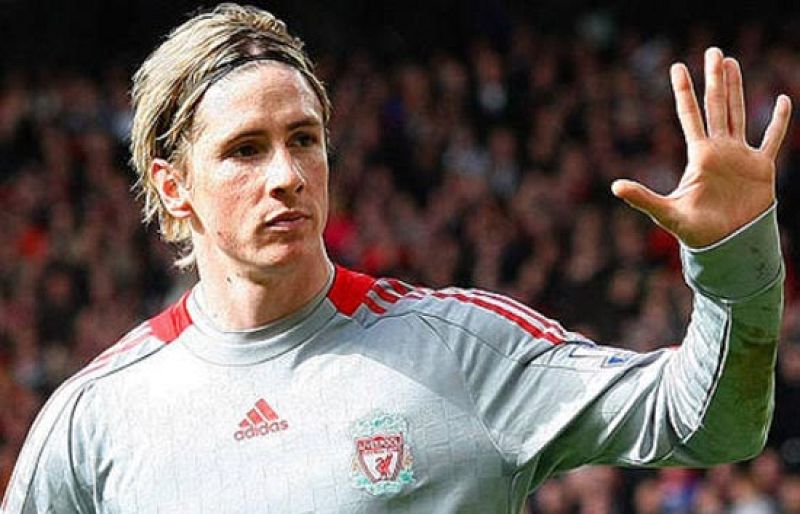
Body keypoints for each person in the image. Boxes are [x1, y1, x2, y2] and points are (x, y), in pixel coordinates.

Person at [1, 4, 792, 513]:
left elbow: (708, 424)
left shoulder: (463, 350)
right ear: (174, 187)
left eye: (303, 139)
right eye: (245, 150)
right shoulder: (94, 421)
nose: (287, 174)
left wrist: (734, 259)